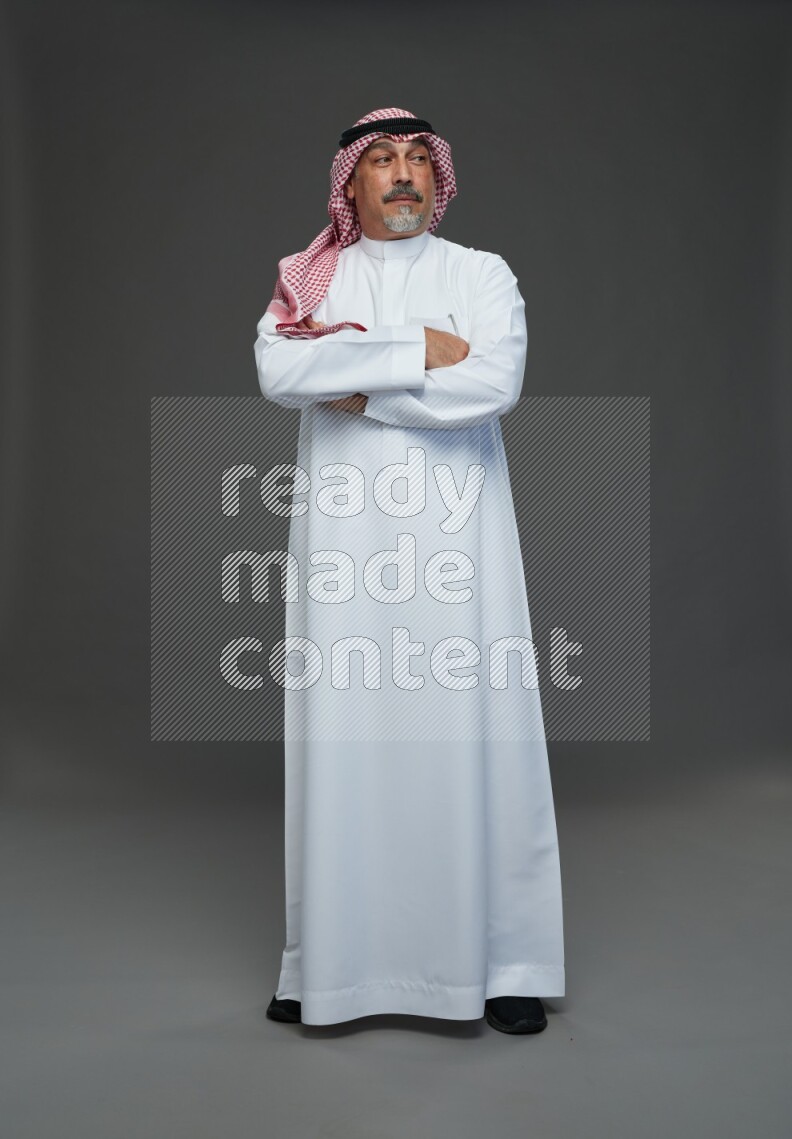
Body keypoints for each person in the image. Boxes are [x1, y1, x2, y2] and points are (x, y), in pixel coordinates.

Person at [254, 107, 565, 1034]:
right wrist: (418, 352)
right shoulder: (311, 277)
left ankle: (506, 964)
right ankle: (326, 968)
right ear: (350, 183)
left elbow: (493, 385)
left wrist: (355, 386)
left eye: (418, 159)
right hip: (346, 552)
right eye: (382, 159)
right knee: (343, 735)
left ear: (439, 178)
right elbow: (280, 373)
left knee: (479, 732)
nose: (401, 173)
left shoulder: (481, 274)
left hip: (461, 547)